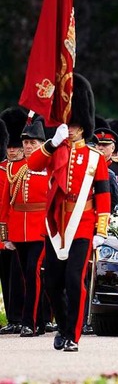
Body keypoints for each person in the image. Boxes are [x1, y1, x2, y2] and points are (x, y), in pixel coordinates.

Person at [27, 74, 111, 352]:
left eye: (75, 125)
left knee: (75, 280)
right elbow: (33, 164)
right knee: (51, 280)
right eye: (68, 125)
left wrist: (101, 231)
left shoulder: (95, 158)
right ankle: (63, 326)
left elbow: (103, 196)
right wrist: (52, 143)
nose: (71, 129)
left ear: (84, 126)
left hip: (83, 224)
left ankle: (73, 336)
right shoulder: (56, 151)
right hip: (56, 225)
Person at [0, 117, 50, 336]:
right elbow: (5, 203)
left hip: (41, 228)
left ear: (42, 144)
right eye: (26, 143)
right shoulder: (15, 168)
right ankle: (34, 320)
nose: (29, 147)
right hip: (19, 229)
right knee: (24, 274)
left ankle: (31, 321)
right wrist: (5, 235)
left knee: (33, 272)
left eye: (33, 143)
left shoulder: (50, 167)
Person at [0, 107, 27, 335]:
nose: (12, 150)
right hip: (3, 232)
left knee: (23, 275)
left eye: (16, 147)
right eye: (9, 146)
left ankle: (27, 317)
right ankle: (12, 317)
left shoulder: (31, 168)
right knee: (6, 277)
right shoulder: (2, 169)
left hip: (23, 230)